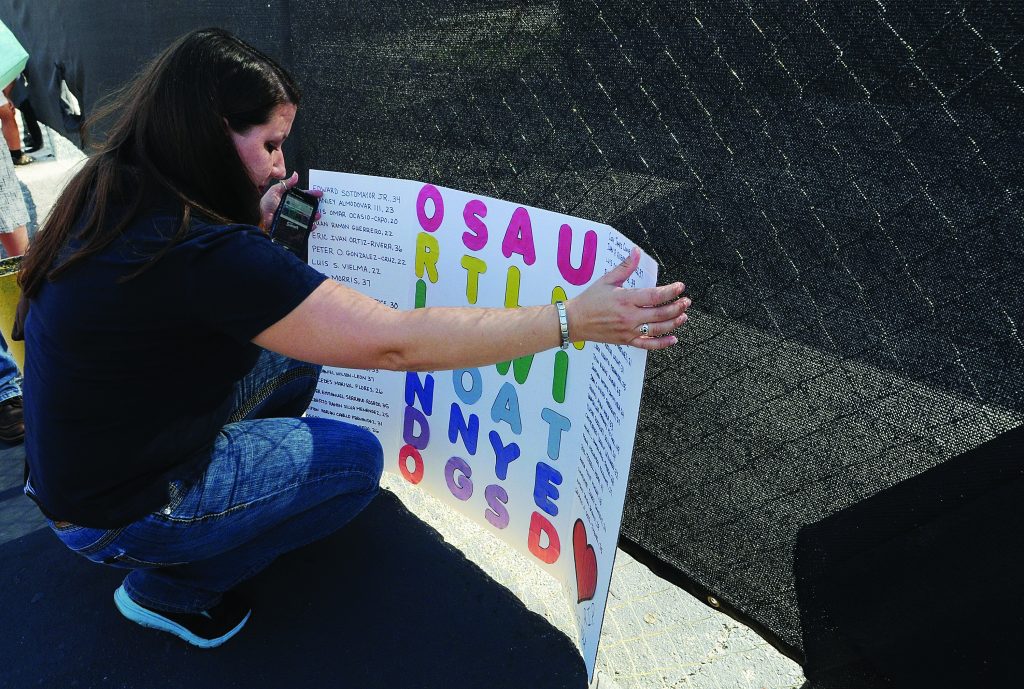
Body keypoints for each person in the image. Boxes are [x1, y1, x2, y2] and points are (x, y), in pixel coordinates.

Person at [19, 28, 691, 649]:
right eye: (271, 145)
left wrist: (249, 226)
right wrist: (573, 320)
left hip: (72, 477)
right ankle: (169, 586)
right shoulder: (208, 255)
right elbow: (395, 343)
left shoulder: (116, 181)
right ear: (214, 131)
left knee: (288, 352)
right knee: (353, 463)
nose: (281, 166)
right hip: (118, 509)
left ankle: (203, 509)